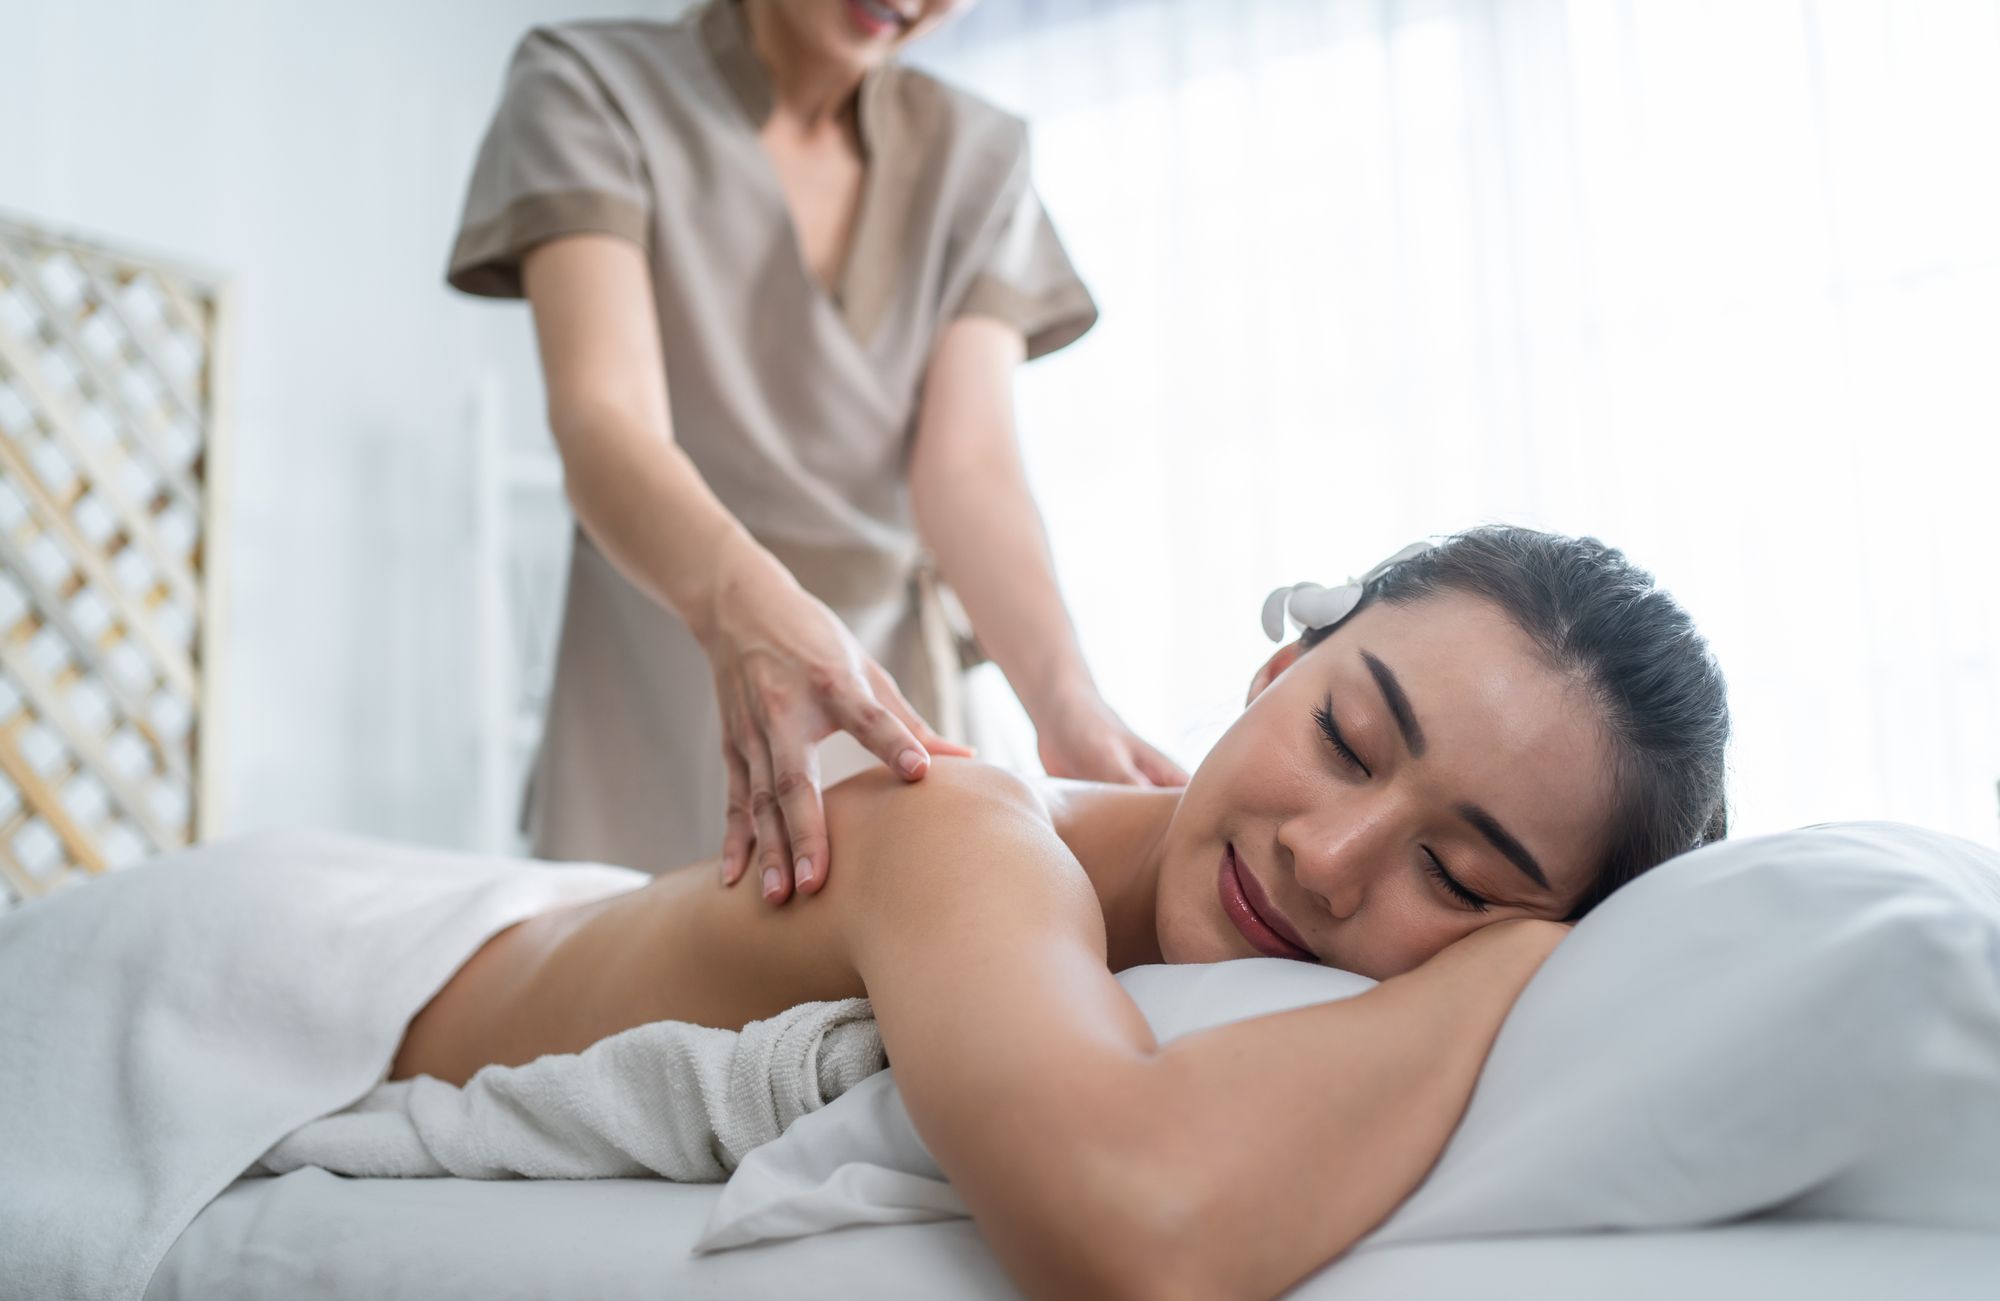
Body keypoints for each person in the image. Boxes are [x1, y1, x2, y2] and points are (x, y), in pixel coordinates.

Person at [393, 525, 1733, 1297]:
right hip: (363, 960)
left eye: (1456, 876)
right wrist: (1512, 961)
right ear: (1280, 663)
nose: (1328, 858)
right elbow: (1131, 1224)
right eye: (1342, 734)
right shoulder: (969, 832)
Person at [447, 0, 1184, 901]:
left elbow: (970, 471)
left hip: (893, 704)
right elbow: (605, 417)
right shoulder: (590, 86)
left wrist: (1067, 701)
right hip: (663, 668)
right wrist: (745, 611)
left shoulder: (979, 157)